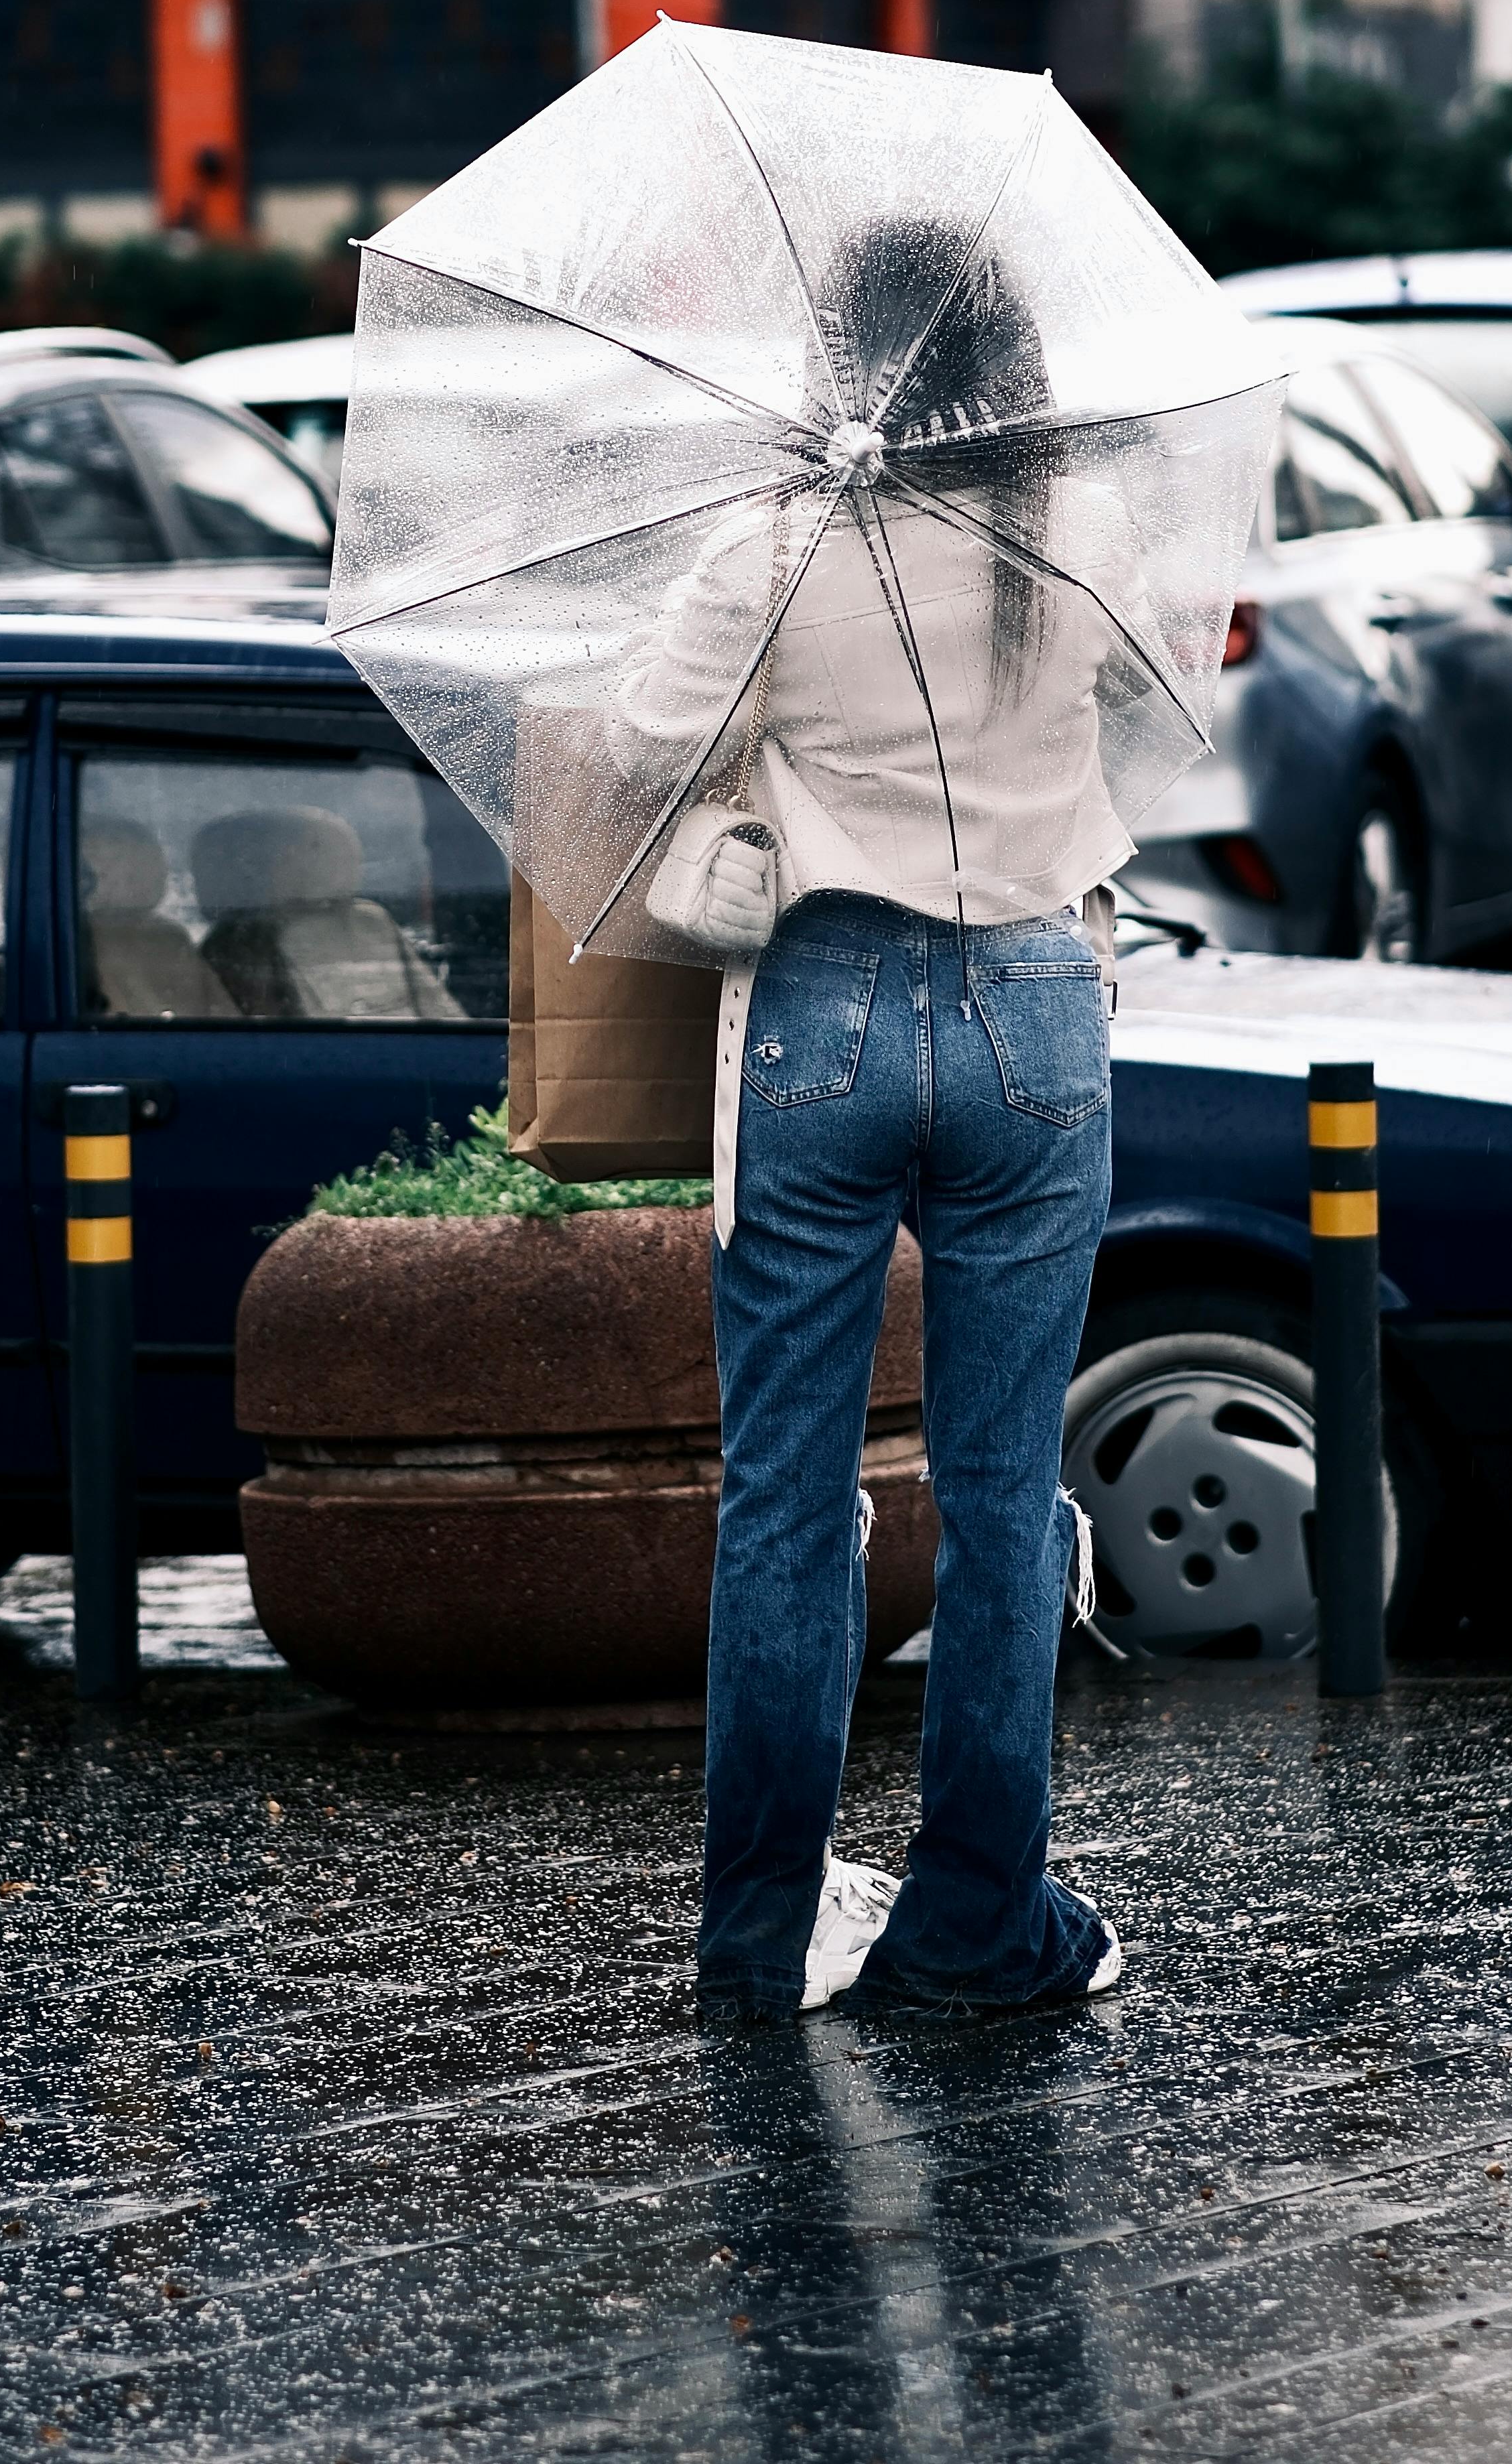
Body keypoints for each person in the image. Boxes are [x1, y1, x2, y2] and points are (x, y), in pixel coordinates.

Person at [614, 220, 1146, 2022]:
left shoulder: (777, 542)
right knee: (1004, 1494)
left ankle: (762, 1932)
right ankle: (982, 1927)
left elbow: (643, 734)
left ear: (848, 365)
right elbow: (1147, 709)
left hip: (821, 1015)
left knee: (787, 1493)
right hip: (1037, 1013)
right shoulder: (1084, 529)